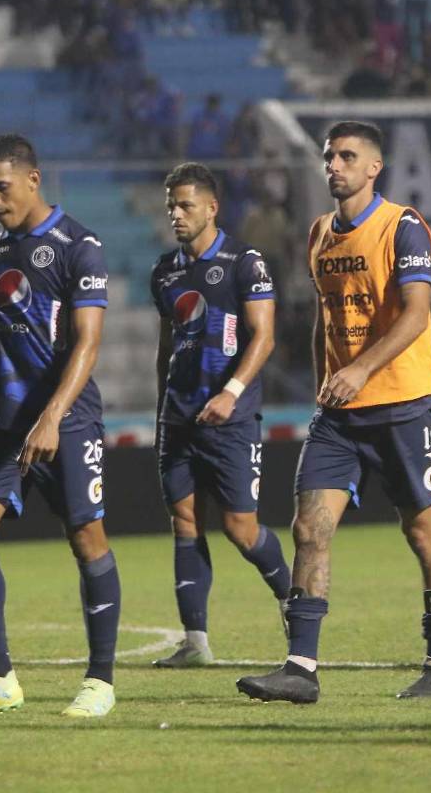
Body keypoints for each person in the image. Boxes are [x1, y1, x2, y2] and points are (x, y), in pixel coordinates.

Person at [237, 120, 431, 704]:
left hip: (405, 404)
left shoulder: (402, 227)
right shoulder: (318, 234)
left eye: (346, 156)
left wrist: (360, 368)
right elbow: (325, 319)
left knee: (421, 531)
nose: (333, 165)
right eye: (329, 156)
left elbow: (415, 316)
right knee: (309, 527)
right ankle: (300, 669)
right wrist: (324, 381)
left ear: (373, 169)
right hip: (341, 415)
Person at [0, 133, 120, 720]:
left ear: (33, 180)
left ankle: (100, 681)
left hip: (66, 420)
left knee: (86, 539)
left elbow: (88, 344)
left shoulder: (78, 245)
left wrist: (52, 418)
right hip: (2, 422)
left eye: (2, 186)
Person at [148, 162, 290, 668]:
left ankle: (293, 599)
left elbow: (264, 336)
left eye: (185, 205)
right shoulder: (165, 270)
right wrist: (162, 400)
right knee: (184, 520)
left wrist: (231, 391)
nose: (176, 214)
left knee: (240, 528)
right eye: (171, 205)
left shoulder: (243, 262)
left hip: (230, 417)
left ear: (212, 208)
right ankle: (196, 642)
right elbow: (168, 342)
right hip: (179, 417)